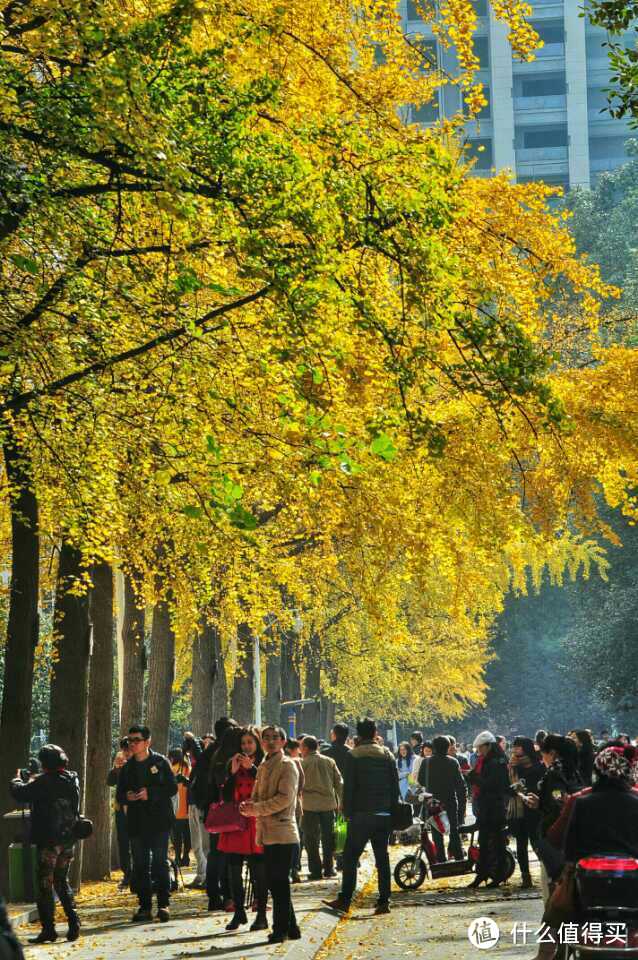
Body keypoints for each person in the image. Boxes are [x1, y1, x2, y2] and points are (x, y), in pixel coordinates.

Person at [324, 717, 400, 916]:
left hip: (361, 815)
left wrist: (346, 812)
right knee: (382, 858)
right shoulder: (387, 755)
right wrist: (392, 813)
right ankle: (384, 901)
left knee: (350, 857)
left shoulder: (354, 755)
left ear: (358, 734)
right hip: (383, 814)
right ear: (375, 733)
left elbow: (348, 787)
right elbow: (394, 787)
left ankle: (345, 899)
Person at [9, 744, 81, 944]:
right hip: (68, 839)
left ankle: (49, 929)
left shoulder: (44, 782)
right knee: (61, 880)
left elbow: (20, 793)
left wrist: (17, 778)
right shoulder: (72, 778)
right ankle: (74, 922)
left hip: (48, 841)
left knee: (45, 884)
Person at [240, 725, 301, 944]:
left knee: (279, 883)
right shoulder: (264, 765)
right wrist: (249, 805)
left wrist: (256, 809)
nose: (271, 741)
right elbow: (259, 795)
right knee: (276, 883)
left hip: (283, 832)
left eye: (276, 737)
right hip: (266, 832)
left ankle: (280, 929)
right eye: (266, 738)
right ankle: (292, 927)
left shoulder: (287, 765)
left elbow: (284, 799)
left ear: (284, 742)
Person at [116, 724, 177, 923]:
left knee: (160, 861)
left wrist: (151, 793)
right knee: (140, 864)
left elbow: (172, 788)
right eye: (130, 740)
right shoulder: (127, 768)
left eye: (136, 740)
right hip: (136, 822)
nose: (132, 744)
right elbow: (119, 794)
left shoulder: (160, 762)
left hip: (159, 821)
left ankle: (163, 904)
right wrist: (128, 796)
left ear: (147, 742)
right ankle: (144, 906)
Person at [217, 727, 268, 931]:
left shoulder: (264, 764)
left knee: (259, 871)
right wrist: (232, 773)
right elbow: (225, 795)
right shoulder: (233, 763)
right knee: (233, 870)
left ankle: (262, 914)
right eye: (243, 743)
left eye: (250, 742)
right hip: (235, 823)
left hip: (256, 822)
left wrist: (253, 768)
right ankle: (239, 912)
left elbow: (266, 788)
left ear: (257, 744)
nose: (246, 746)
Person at [466, 730, 509, 889]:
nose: (479, 751)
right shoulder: (486, 760)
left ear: (488, 746)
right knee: (483, 842)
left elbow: (493, 785)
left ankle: (498, 874)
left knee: (497, 843)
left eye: (481, 748)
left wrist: (473, 778)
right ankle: (482, 873)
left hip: (495, 807)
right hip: (485, 806)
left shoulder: (497, 761)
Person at [208, 723, 241, 911]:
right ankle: (228, 896)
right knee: (228, 857)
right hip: (230, 814)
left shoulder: (215, 754)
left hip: (216, 813)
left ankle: (214, 896)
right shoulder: (230, 759)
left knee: (216, 855)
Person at [300, 736, 343, 880]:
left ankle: (316, 870)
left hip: (308, 805)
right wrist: (341, 801)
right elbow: (339, 783)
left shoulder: (302, 763)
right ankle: (329, 868)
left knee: (311, 839)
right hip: (328, 804)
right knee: (328, 837)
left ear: (305, 748)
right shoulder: (329, 761)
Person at [418, 734, 466, 861]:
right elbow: (459, 783)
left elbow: (420, 781)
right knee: (453, 830)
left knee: (436, 831)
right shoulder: (453, 762)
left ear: (434, 747)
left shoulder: (426, 762)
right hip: (450, 800)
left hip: (433, 801)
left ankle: (441, 858)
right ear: (447, 747)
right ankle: (458, 856)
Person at [508, 736, 544, 889]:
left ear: (526, 748)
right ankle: (525, 876)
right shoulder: (514, 766)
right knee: (521, 844)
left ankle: (548, 870)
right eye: (514, 747)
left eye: (518, 747)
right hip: (519, 810)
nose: (515, 750)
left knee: (537, 842)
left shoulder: (539, 766)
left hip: (534, 810)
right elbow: (510, 786)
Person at [182, 732, 208, 889]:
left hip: (201, 807)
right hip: (192, 805)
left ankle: (207, 877)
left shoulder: (204, 763)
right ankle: (201, 875)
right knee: (196, 844)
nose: (190, 756)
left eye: (192, 753)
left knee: (205, 845)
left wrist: (192, 739)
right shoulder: (194, 769)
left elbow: (200, 757)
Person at [107, 737, 132, 891]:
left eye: (128, 749)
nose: (126, 752)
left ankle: (139, 873)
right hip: (121, 808)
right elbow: (110, 782)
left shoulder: (140, 761)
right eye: (124, 749)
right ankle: (127, 874)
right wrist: (116, 768)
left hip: (136, 809)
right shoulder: (119, 761)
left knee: (137, 842)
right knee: (123, 842)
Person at [169, 748, 191, 866]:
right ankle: (186, 857)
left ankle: (178, 857)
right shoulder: (189, 768)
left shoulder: (172, 769)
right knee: (187, 835)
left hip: (176, 809)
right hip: (188, 808)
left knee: (176, 836)